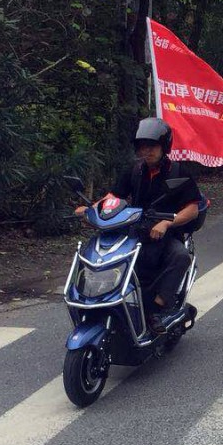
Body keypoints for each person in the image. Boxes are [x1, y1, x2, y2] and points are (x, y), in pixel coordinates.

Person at [75, 117, 199, 335]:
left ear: (164, 147)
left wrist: (167, 222)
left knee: (180, 257)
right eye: (143, 147)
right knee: (106, 255)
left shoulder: (179, 172)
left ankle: (160, 308)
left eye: (152, 146)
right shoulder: (134, 171)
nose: (147, 151)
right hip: (134, 229)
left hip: (166, 231)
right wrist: (92, 210)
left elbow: (193, 208)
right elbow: (114, 196)